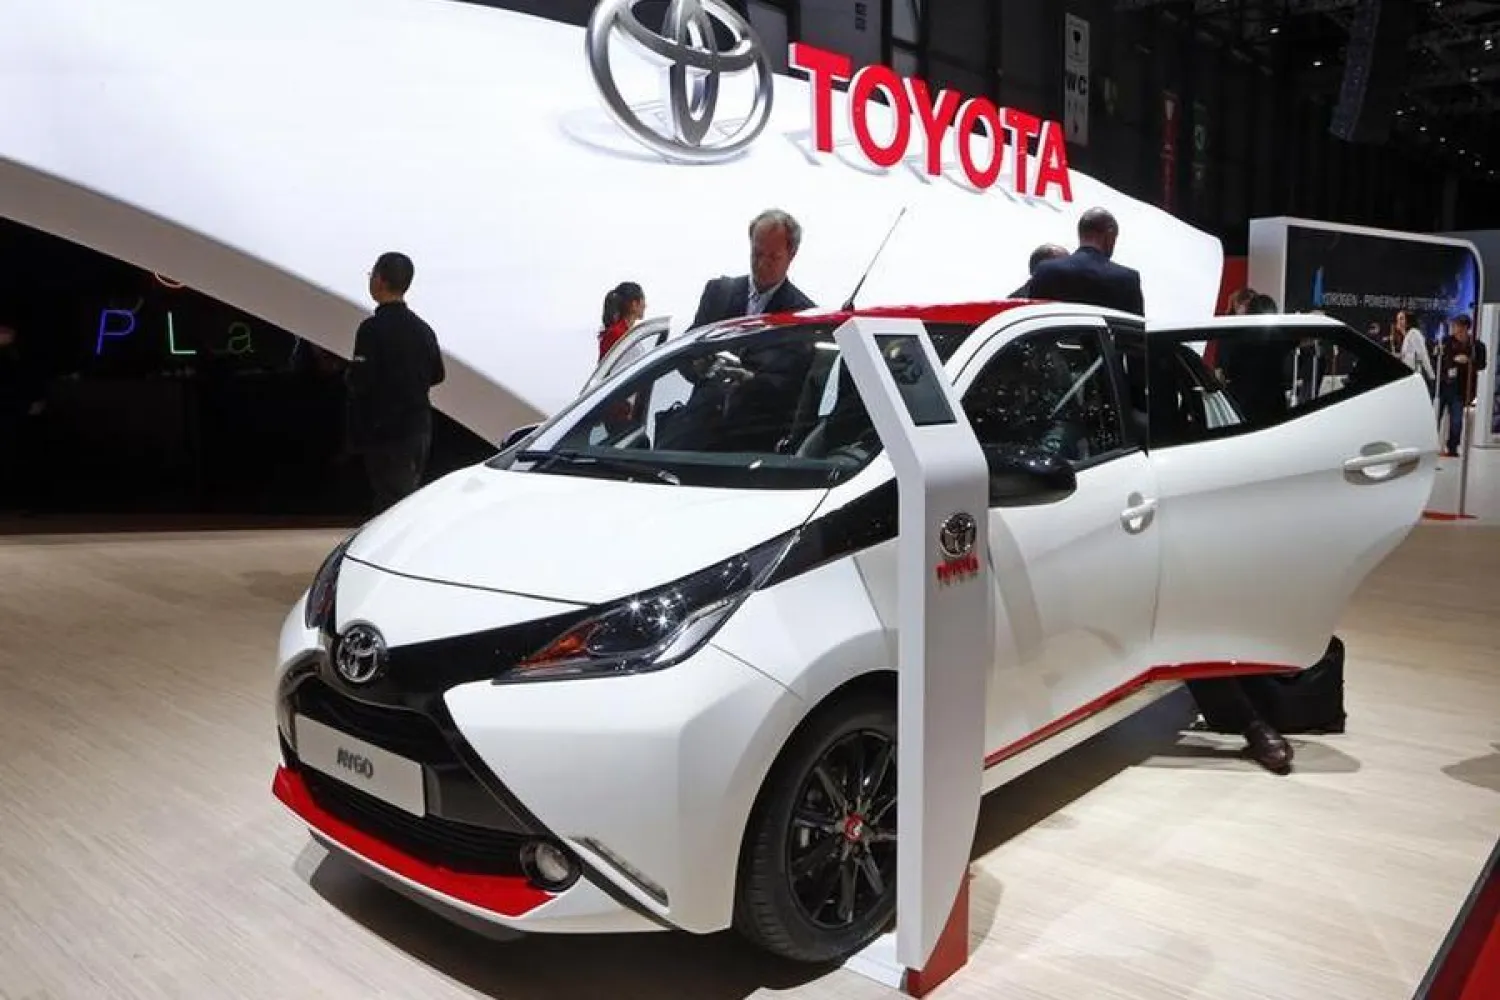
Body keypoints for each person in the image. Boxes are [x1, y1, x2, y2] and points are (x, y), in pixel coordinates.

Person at [345, 251, 446, 513]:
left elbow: (361, 379)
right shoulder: (423, 329)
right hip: (419, 427)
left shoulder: (372, 329)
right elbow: (438, 374)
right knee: (403, 498)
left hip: (385, 431)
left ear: (379, 280)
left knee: (390, 506)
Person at [691, 209, 815, 327]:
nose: (762, 264)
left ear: (792, 255)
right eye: (757, 254)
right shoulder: (718, 294)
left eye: (773, 257)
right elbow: (691, 340)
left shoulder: (802, 314)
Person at [1025, 207, 1145, 316]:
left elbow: (1031, 319)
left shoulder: (1046, 271)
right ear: (1109, 234)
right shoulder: (1127, 279)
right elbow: (1134, 331)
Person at [1436, 313, 1487, 457]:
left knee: (1456, 420)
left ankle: (1452, 447)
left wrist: (1468, 361)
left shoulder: (1476, 346)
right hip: (1442, 385)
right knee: (1435, 417)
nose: (1456, 329)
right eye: (1454, 326)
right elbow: (1438, 360)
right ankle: (1429, 444)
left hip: (1459, 388)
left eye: (1458, 327)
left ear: (1466, 328)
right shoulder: (1446, 341)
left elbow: (1482, 364)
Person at [597, 281, 645, 361]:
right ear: (634, 304)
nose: (645, 305)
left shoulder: (627, 331)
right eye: (643, 300)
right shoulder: (617, 333)